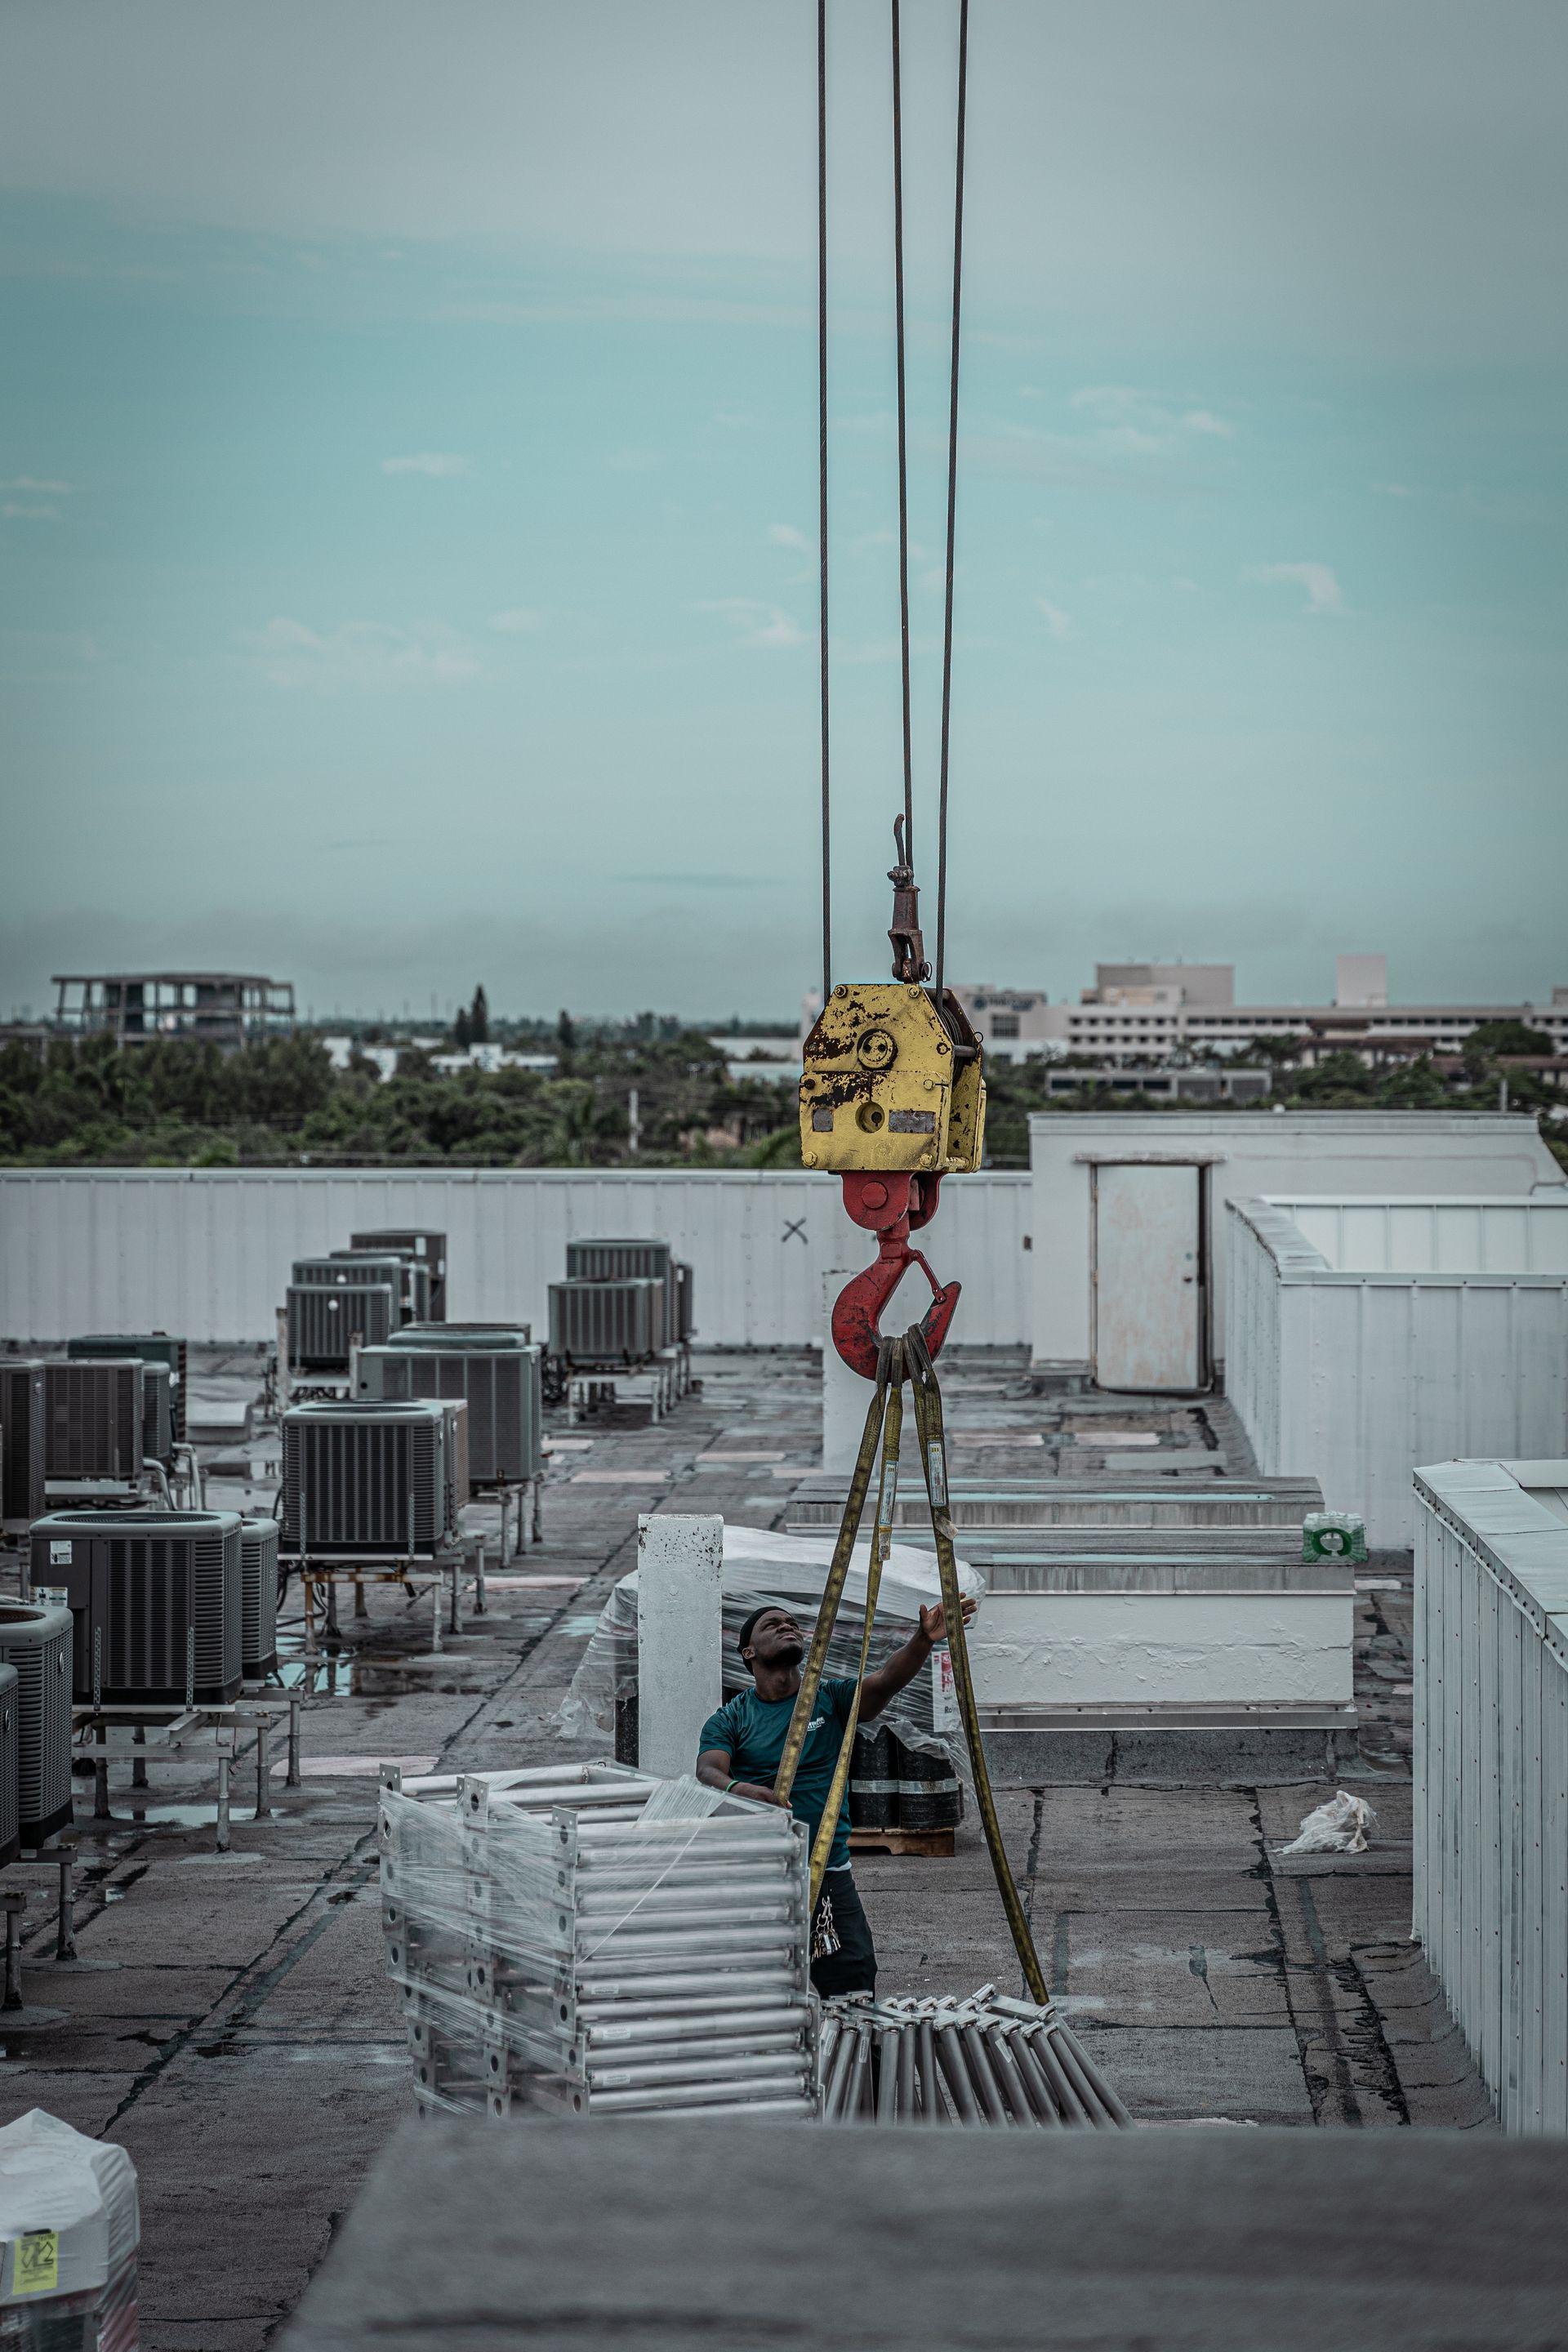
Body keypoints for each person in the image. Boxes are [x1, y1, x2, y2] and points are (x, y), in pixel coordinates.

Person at [695, 1593, 975, 1996]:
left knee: (852, 1975)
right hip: (762, 1874)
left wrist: (923, 1640)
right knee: (763, 1984)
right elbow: (708, 1771)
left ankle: (855, 2057)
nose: (786, 1625)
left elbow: (886, 1680)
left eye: (791, 1621)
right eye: (772, 1624)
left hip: (828, 1870)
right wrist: (746, 1791)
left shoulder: (830, 1699)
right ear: (749, 1651)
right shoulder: (731, 1717)